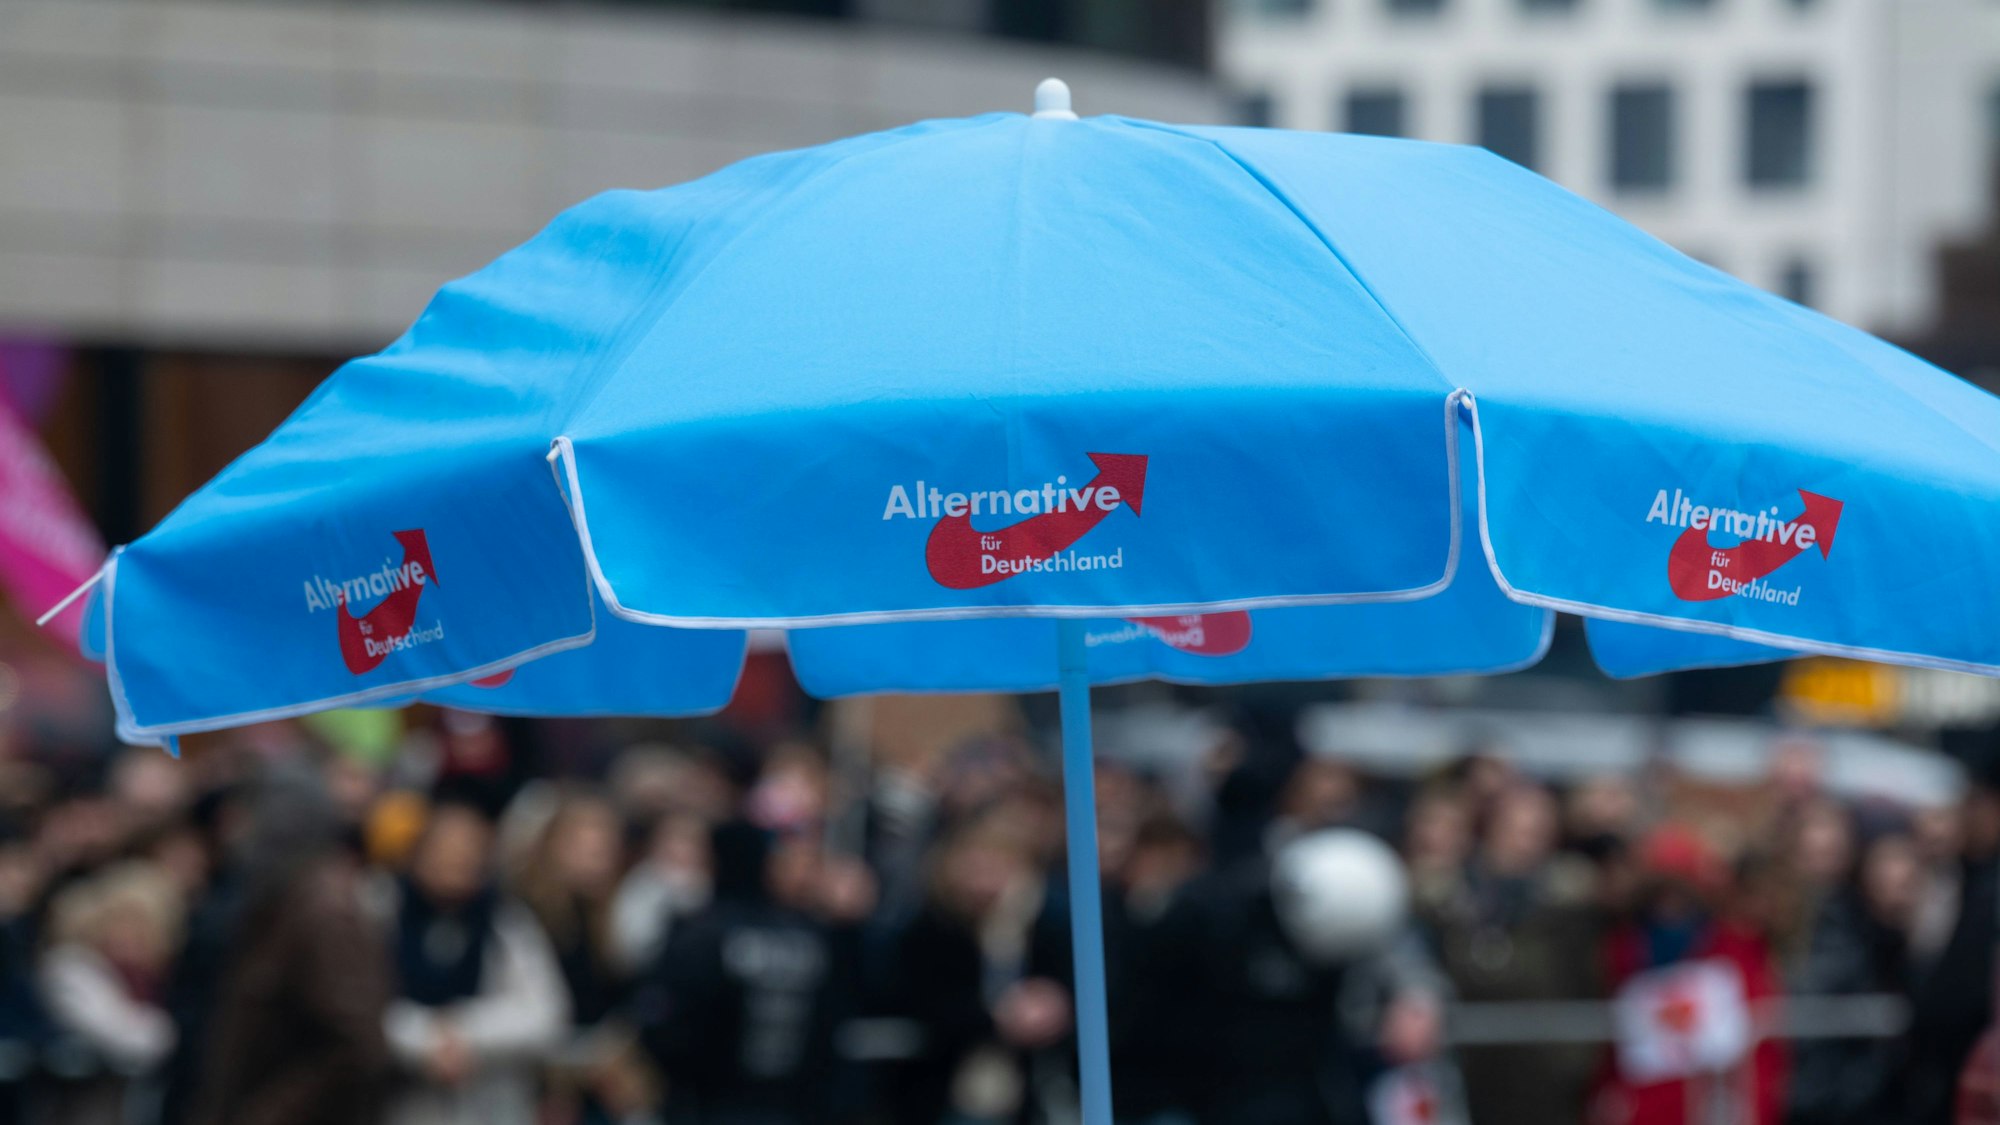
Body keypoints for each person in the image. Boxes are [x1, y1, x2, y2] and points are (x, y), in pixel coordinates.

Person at [192, 763, 393, 1125]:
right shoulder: (282, 894)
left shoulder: (326, 910)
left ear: (284, 820)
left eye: (247, 814)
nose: (232, 832)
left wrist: (269, 1115)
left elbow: (357, 1047)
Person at [637, 820, 860, 1125]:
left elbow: (666, 1023)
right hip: (795, 1103)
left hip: (713, 1102)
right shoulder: (811, 933)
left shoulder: (701, 933)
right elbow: (835, 1019)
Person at [1416, 782, 1600, 1125]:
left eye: (1540, 833)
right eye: (1518, 830)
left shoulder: (1569, 901)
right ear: (1489, 829)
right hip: (1465, 1064)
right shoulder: (1447, 898)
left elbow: (1586, 978)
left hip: (1544, 1071)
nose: (1528, 844)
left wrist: (1573, 1060)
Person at [377, 799, 568, 1125]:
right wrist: (424, 1041)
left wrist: (465, 1033)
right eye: (445, 845)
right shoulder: (381, 911)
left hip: (490, 1104)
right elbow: (361, 1008)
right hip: (404, 1103)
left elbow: (547, 1013)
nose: (457, 857)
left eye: (469, 847)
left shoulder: (506, 922)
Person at [37, 860, 182, 1125]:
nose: (128, 936)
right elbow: (135, 1042)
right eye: (121, 922)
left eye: (141, 927)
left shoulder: (148, 982)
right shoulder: (73, 968)